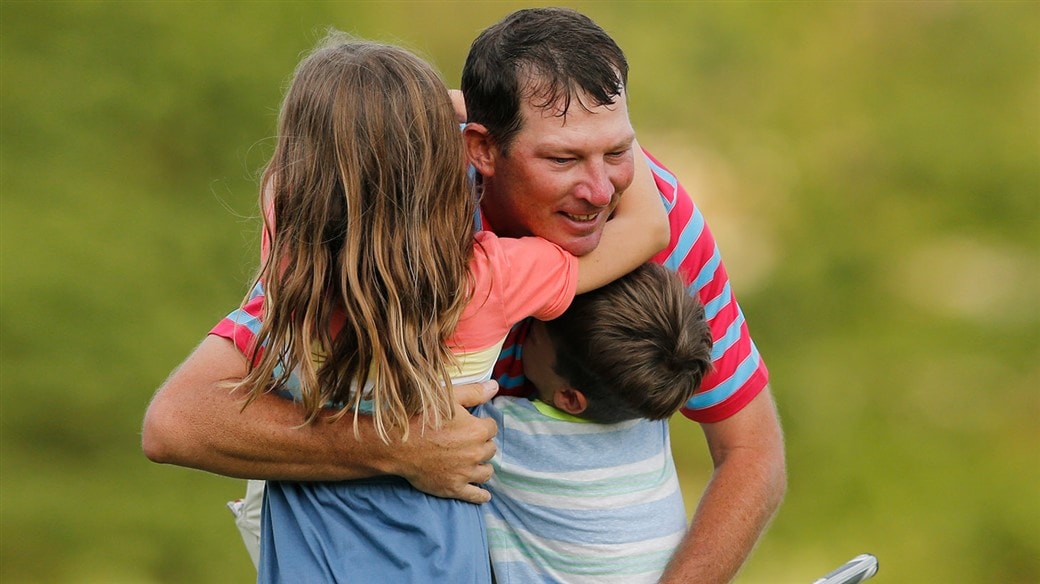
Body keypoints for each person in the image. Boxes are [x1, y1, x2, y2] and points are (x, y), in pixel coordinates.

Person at [142, 7, 786, 583]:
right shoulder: (378, 219)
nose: (600, 189)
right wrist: (395, 448)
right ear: (480, 147)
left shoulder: (659, 224)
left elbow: (752, 453)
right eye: (562, 159)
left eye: (618, 151)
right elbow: (179, 421)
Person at [478, 262, 714, 583]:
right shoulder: (645, 412)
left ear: (570, 399)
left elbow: (433, 431)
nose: (526, 328)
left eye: (533, 334)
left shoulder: (509, 432)